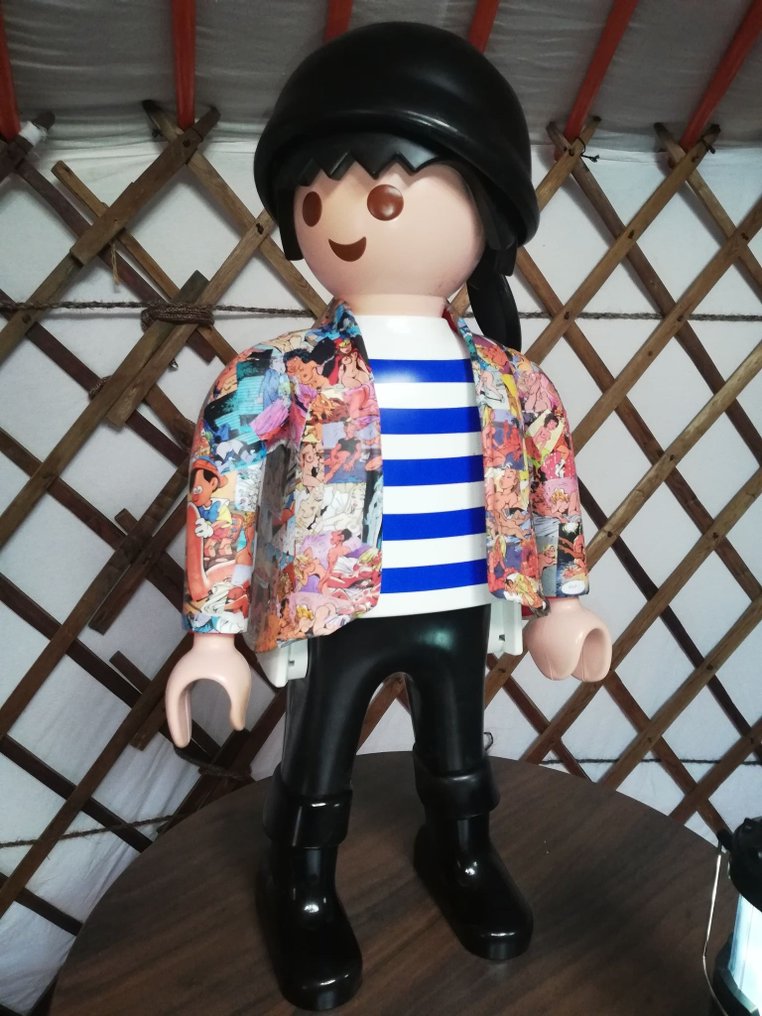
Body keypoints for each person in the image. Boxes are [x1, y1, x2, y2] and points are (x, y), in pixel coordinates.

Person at [165, 22, 611, 1011]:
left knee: (459, 747)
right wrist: (211, 636)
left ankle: (462, 851)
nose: (340, 220)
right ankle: (301, 881)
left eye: (381, 194)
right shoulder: (284, 373)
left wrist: (563, 600)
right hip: (339, 610)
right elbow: (221, 485)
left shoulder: (515, 382)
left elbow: (552, 492)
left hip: (461, 602)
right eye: (314, 197)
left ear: (484, 210)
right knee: (317, 750)